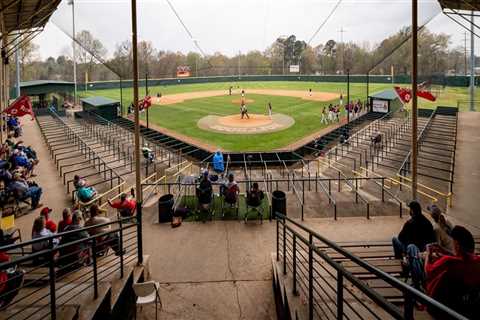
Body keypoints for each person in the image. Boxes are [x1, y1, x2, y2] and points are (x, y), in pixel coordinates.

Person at [424, 226, 480, 319]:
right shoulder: (477, 261)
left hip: (439, 306)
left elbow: (428, 271)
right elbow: (460, 258)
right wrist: (443, 250)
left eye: (453, 241)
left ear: (457, 244)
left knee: (413, 253)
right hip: (464, 306)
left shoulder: (449, 261)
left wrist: (428, 253)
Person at [392, 200, 435, 290]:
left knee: (394, 239)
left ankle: (401, 262)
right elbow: (432, 239)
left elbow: (400, 237)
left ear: (412, 210)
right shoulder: (427, 222)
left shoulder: (409, 223)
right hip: (423, 250)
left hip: (411, 249)